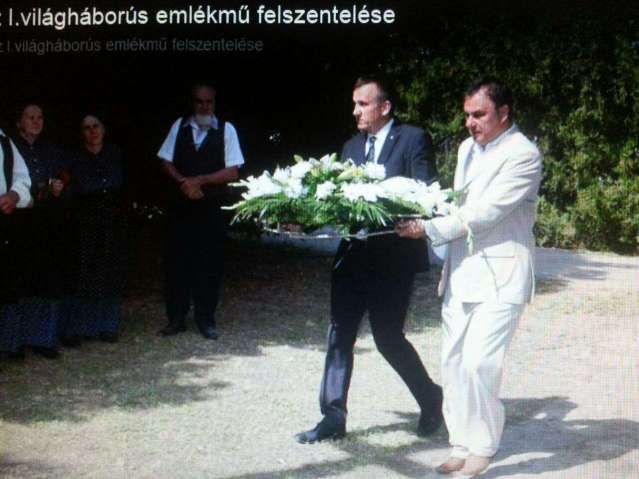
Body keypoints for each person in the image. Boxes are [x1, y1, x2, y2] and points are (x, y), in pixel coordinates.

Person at [396, 77, 542, 476]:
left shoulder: (524, 154)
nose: (470, 123)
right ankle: (460, 443)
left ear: (504, 113)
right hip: (461, 273)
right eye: (467, 115)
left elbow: (486, 212)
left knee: (480, 364)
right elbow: (458, 205)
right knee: (455, 363)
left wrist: (428, 228)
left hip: (502, 276)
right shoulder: (465, 149)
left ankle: (483, 446)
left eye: (479, 114)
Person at [295, 75, 442, 444]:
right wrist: (302, 221)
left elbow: (427, 193)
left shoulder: (412, 139)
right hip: (352, 257)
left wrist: (411, 219)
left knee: (388, 338)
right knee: (339, 333)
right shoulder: (351, 147)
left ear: (385, 106)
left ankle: (431, 398)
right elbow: (337, 201)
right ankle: (332, 417)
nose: (355, 111)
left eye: (362, 104)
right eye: (354, 104)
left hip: (393, 259)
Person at [157, 84, 244, 340]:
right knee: (176, 262)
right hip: (181, 206)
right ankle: (176, 318)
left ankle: (206, 320)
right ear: (192, 103)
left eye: (209, 102)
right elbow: (165, 160)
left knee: (209, 263)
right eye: (199, 102)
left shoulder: (227, 130)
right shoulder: (179, 126)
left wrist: (200, 181)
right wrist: (184, 182)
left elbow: (233, 171)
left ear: (214, 103)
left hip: (211, 208)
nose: (204, 107)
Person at [3, 104, 69, 360]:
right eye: (30, 117)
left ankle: (42, 339)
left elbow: (66, 178)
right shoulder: (9, 146)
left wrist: (59, 187)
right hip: (18, 222)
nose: (35, 121)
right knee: (18, 281)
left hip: (48, 221)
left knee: (46, 279)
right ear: (19, 122)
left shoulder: (51, 150)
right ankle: (14, 342)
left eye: (40, 117)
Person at [61, 115, 127, 345]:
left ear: (104, 129)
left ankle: (106, 326)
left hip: (112, 218)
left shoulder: (115, 153)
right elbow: (76, 186)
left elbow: (118, 183)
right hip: (84, 219)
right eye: (86, 128)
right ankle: (78, 327)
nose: (92, 131)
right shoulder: (74, 157)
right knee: (83, 272)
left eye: (96, 126)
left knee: (110, 270)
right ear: (81, 133)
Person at [0, 126, 32, 356]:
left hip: (3, 220)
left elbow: (23, 178)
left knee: (7, 282)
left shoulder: (4, 140)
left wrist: (14, 195)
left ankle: (8, 343)